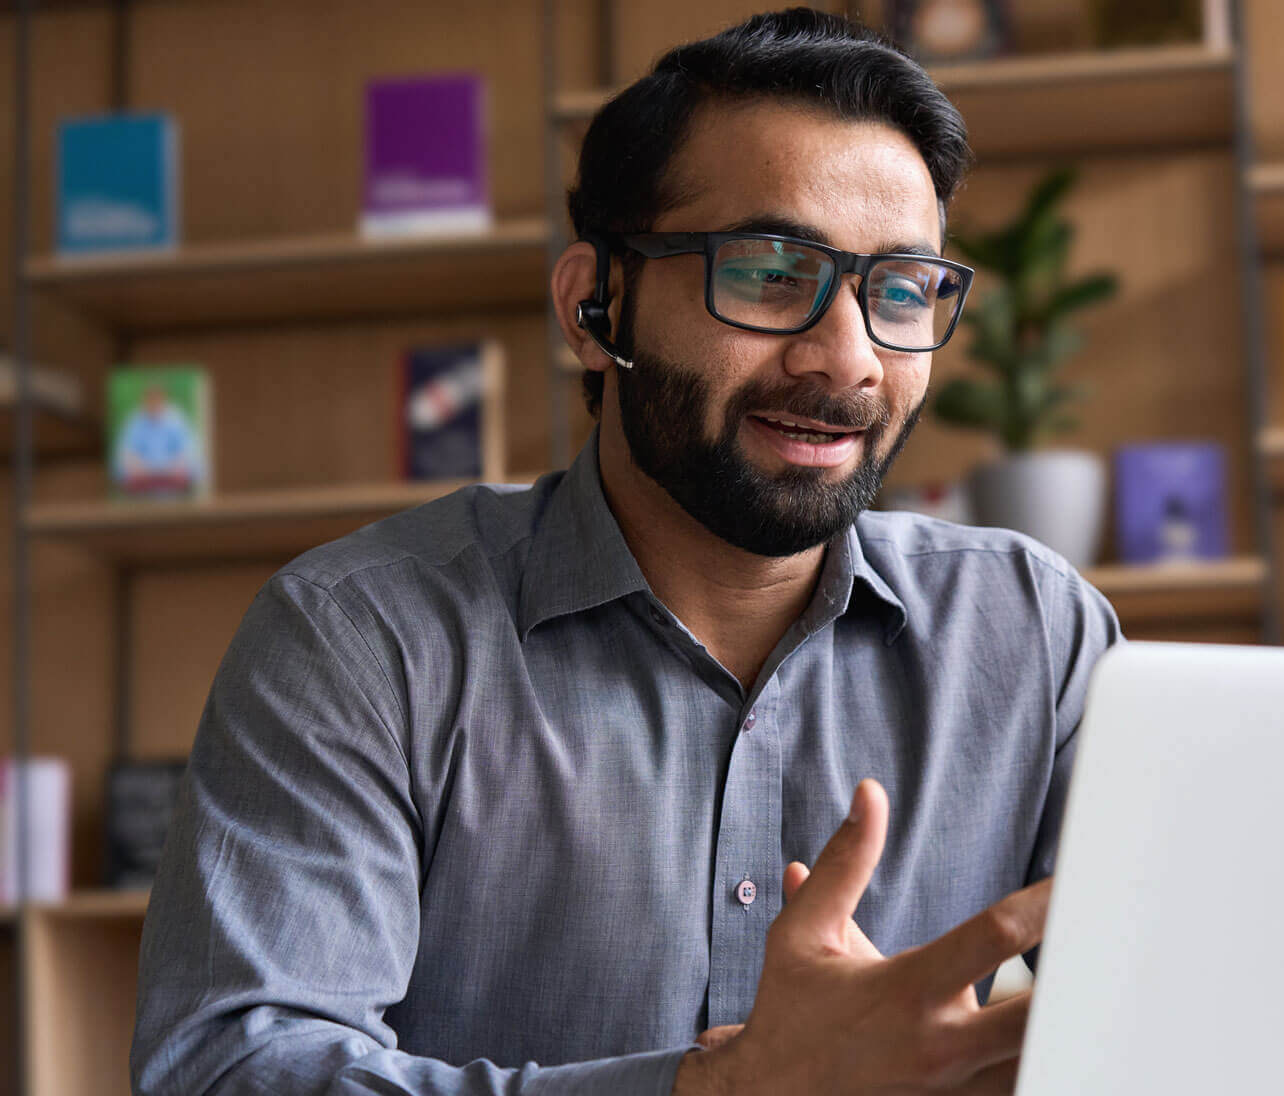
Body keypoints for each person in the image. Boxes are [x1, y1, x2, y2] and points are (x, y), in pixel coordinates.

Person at [131, 9, 1120, 1094]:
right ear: (595, 308)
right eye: (770, 271)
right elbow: (229, 1071)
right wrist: (716, 1088)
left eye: (899, 291)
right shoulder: (362, 635)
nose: (850, 360)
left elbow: (1180, 1010)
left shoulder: (1034, 631)